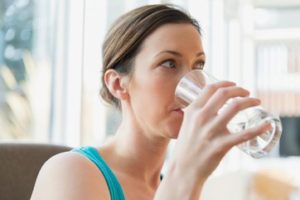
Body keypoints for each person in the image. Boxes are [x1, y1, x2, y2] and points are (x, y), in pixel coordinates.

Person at [30, 4, 271, 200]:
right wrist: (185, 174)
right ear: (117, 84)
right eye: (169, 63)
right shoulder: (71, 172)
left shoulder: (176, 184)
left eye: (198, 66)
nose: (193, 84)